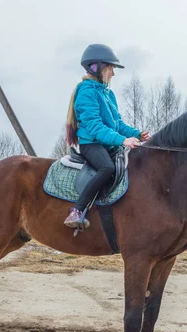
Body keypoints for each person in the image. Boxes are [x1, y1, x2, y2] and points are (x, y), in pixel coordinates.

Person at [64, 43, 151, 229]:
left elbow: (117, 123)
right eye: (111, 68)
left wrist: (136, 134)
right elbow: (95, 126)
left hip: (107, 143)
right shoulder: (87, 92)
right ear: (97, 67)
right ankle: (77, 210)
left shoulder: (108, 94)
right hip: (92, 144)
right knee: (107, 168)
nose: (113, 74)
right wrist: (122, 140)